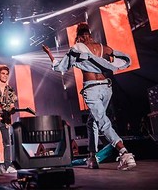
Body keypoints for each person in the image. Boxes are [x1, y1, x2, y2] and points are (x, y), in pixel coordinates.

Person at [42, 22, 136, 170]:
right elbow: (118, 57)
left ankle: (124, 153)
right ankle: (92, 157)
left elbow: (61, 67)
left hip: (92, 89)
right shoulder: (102, 47)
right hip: (106, 88)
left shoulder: (77, 48)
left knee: (102, 122)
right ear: (89, 34)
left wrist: (50, 55)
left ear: (79, 36)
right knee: (92, 121)